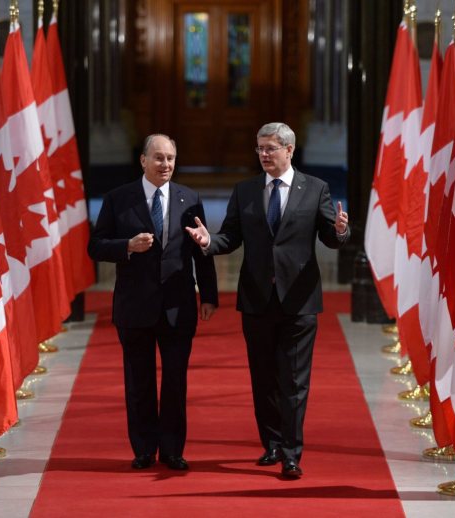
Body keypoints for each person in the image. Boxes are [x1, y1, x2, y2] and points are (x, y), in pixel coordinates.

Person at [186, 122, 349, 478]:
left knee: (292, 379)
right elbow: (230, 237)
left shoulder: (315, 188)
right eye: (259, 148)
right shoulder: (245, 190)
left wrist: (340, 230)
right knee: (263, 377)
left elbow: (330, 237)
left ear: (289, 150)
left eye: (270, 148)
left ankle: (292, 453)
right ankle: (272, 443)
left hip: (299, 300)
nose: (263, 154)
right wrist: (207, 242)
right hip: (257, 299)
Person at [88, 134, 218, 471]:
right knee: (139, 380)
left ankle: (172, 449)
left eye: (171, 158)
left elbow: (201, 250)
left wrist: (209, 294)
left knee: (175, 380)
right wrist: (127, 246)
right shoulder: (119, 198)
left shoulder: (189, 198)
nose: (166, 165)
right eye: (159, 158)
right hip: (135, 306)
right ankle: (144, 448)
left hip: (178, 306)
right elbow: (96, 245)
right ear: (143, 161)